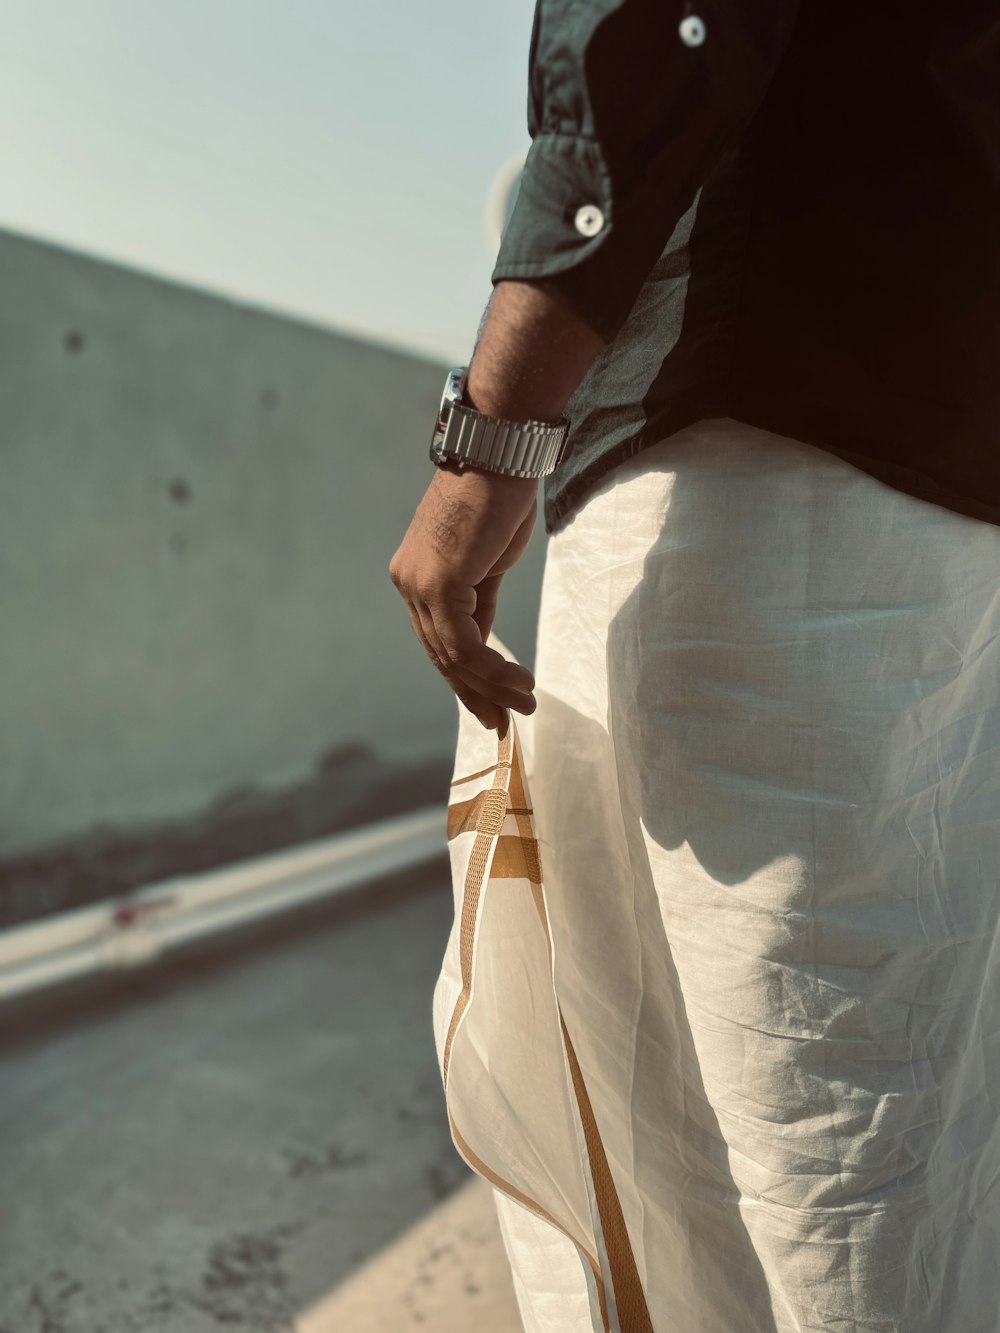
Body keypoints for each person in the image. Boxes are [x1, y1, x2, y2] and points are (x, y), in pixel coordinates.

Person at [389, 1, 1000, 1329]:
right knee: (894, 1140)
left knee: (745, 1165)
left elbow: (663, 31)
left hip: (747, 464)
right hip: (941, 494)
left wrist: (488, 437)